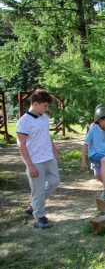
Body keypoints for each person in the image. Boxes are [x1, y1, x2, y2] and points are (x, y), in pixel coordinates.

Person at [16, 89, 61, 229]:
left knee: (55, 181)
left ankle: (33, 206)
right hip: (35, 161)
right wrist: (30, 165)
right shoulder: (24, 121)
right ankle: (39, 217)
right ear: (35, 104)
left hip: (48, 157)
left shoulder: (44, 118)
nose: (46, 109)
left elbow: (47, 137)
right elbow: (21, 145)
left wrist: (55, 153)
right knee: (38, 190)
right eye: (45, 106)